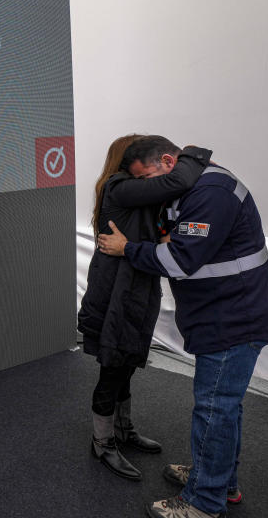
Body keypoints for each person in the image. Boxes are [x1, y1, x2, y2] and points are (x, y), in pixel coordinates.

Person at [97, 136, 268, 518]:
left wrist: (127, 249)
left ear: (168, 161)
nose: (151, 189)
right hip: (223, 314)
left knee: (214, 410)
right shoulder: (197, 186)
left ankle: (203, 502)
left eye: (149, 178)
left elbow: (181, 259)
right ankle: (217, 479)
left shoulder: (212, 192)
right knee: (224, 408)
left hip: (234, 319)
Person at [78, 135, 212, 481]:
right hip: (116, 291)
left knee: (127, 360)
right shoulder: (119, 186)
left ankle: (123, 429)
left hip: (135, 286)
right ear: (127, 159)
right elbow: (179, 180)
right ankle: (102, 441)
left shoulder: (133, 190)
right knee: (113, 366)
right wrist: (191, 155)